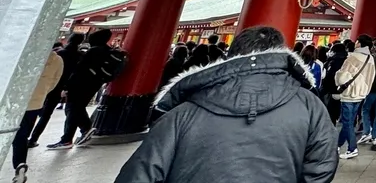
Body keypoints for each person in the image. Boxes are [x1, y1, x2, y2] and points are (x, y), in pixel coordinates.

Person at [113, 25, 337, 183]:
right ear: (281, 52)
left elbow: (141, 173)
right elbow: (323, 164)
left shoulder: (186, 108)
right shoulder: (309, 104)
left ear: (231, 54)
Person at [48, 28, 125, 148]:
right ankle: (68, 138)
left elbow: (79, 70)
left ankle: (84, 128)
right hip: (94, 85)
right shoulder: (109, 51)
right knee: (75, 109)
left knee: (72, 108)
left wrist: (67, 87)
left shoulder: (93, 51)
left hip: (80, 84)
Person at [11, 48, 63, 183]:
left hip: (11, 101)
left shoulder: (24, 52)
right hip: (34, 103)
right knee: (21, 137)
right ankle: (20, 165)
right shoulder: (57, 60)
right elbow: (53, 83)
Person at [27, 33, 83, 148]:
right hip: (61, 88)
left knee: (33, 111)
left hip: (47, 86)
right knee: (46, 115)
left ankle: (25, 135)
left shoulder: (59, 54)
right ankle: (33, 139)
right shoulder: (80, 56)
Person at [333, 34, 376, 160]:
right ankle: (338, 145)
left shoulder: (353, 57)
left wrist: (337, 77)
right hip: (361, 93)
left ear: (359, 43)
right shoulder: (371, 58)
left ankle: (352, 148)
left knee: (347, 122)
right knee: (349, 121)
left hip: (349, 93)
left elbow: (342, 76)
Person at [321, 41, 347, 123]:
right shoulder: (347, 61)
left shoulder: (331, 61)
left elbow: (328, 77)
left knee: (328, 112)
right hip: (342, 90)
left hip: (330, 90)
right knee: (335, 112)